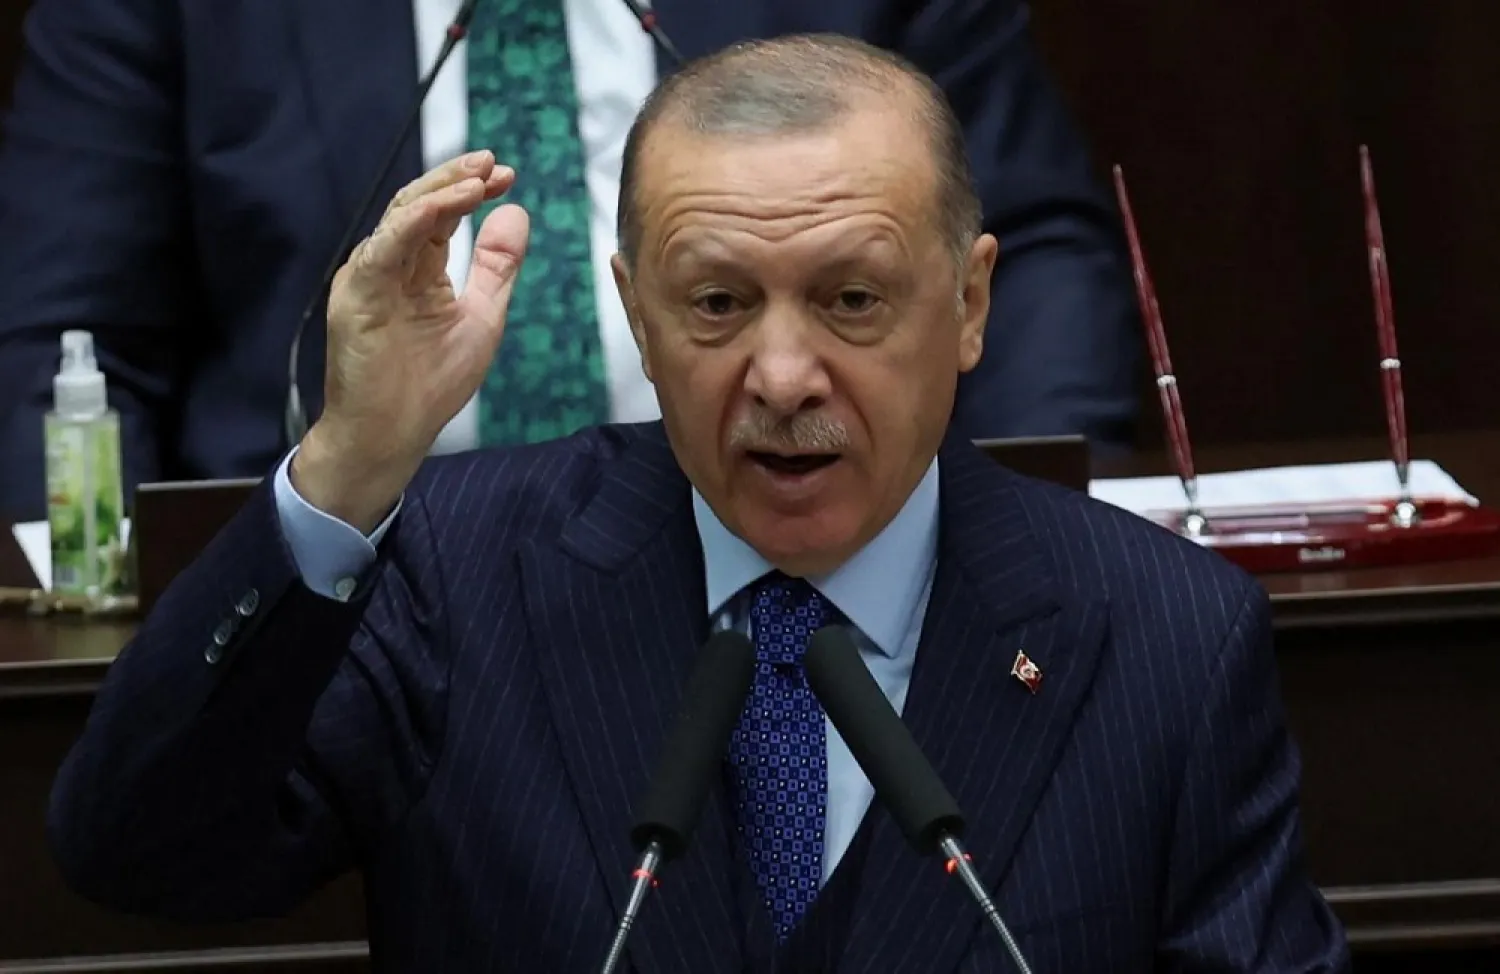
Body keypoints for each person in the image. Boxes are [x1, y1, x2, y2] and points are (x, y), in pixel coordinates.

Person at [47, 36, 1347, 973]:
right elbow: (140, 853)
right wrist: (347, 462)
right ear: (637, 311)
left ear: (968, 306)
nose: (781, 377)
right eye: (718, 305)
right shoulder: (452, 576)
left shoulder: (1168, 633)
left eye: (851, 299)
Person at [0, 0, 1140, 522]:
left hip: (799, 558)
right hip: (350, 603)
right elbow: (61, 338)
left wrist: (1033, 550)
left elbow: (1030, 245)